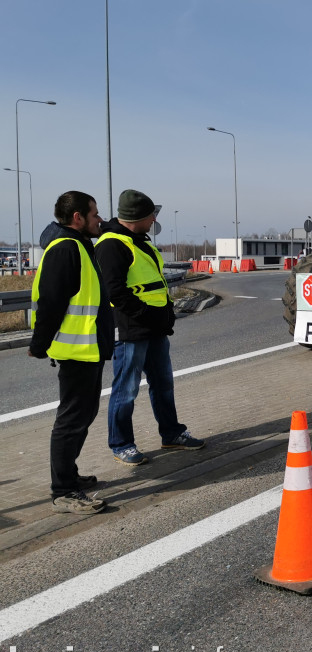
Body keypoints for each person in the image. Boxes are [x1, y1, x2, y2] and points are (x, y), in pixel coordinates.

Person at [95, 189, 204, 466]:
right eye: (150, 215)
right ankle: (122, 444)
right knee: (126, 389)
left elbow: (153, 284)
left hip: (153, 327)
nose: (154, 219)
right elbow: (115, 292)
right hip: (131, 329)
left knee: (163, 384)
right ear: (136, 218)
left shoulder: (139, 241)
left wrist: (164, 315)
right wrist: (145, 314)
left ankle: (172, 434)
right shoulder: (111, 244)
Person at [29, 192, 114, 514]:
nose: (99, 219)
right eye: (94, 214)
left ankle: (71, 476)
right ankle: (63, 491)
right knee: (71, 420)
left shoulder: (78, 245)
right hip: (74, 349)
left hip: (87, 348)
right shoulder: (66, 248)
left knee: (83, 415)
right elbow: (51, 301)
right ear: (77, 216)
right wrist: (38, 345)